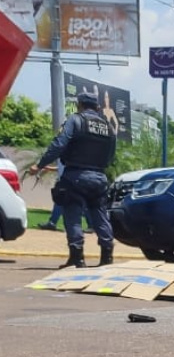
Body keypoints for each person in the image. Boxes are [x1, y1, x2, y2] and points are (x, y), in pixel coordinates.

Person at [30, 92, 117, 268]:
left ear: (80, 105)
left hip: (76, 175)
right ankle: (107, 258)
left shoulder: (75, 120)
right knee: (100, 216)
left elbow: (59, 144)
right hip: (99, 177)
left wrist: (40, 165)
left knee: (73, 216)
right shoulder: (108, 127)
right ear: (98, 107)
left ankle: (77, 258)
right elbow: (111, 155)